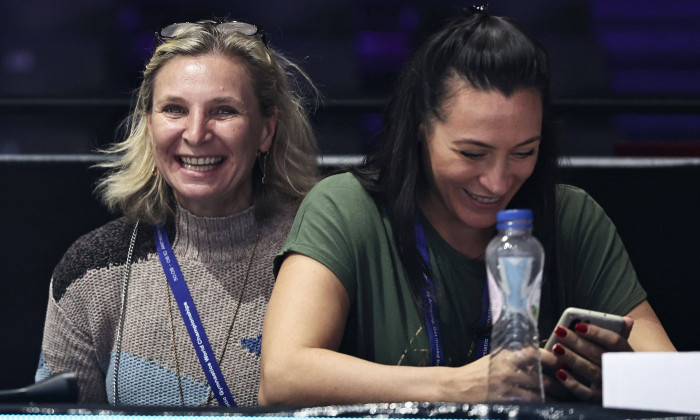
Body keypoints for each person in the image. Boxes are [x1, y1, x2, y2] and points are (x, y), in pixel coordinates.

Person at [258, 9, 675, 406]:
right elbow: (282, 377)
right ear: (421, 126)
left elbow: (678, 385)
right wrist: (459, 385)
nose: (496, 182)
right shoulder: (346, 208)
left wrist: (620, 378)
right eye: (473, 153)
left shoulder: (573, 218)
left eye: (523, 152)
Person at [35, 19, 319, 406]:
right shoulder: (90, 272)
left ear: (266, 131)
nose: (197, 133)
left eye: (223, 111)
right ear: (149, 125)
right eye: (174, 109)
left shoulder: (319, 255)